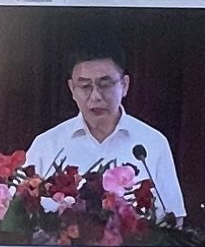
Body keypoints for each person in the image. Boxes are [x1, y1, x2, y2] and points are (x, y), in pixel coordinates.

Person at [22, 38, 186, 221]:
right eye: (85, 86)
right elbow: (19, 214)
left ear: (125, 85)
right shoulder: (46, 145)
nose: (95, 96)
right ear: (72, 89)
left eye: (105, 85)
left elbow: (174, 220)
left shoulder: (152, 143)